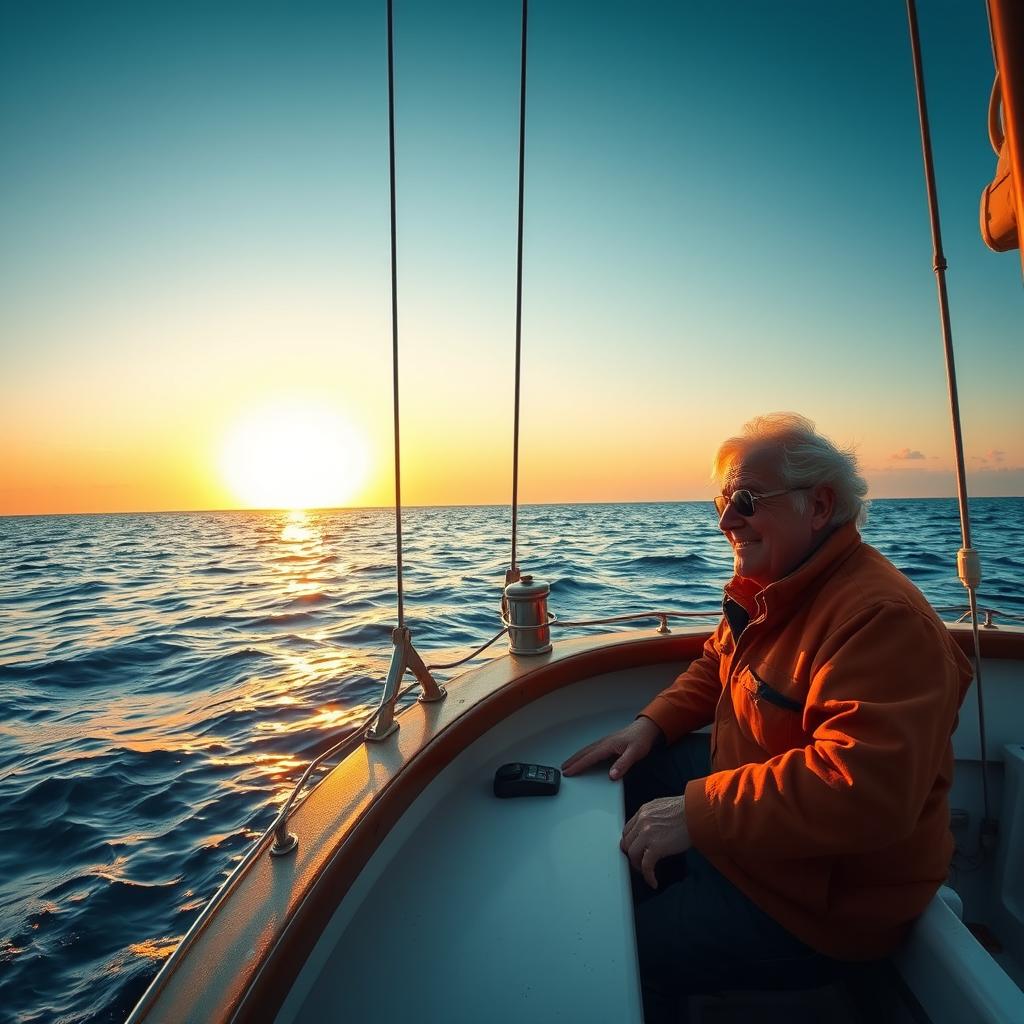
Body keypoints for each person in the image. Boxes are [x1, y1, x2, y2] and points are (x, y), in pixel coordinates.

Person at [562, 412, 973, 1022]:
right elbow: (719, 664)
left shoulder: (882, 621)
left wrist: (695, 815)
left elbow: (864, 791)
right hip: (753, 835)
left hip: (813, 907)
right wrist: (647, 726)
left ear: (819, 504)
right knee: (626, 775)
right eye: (722, 501)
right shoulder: (776, 583)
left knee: (603, 957)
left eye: (747, 501)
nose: (728, 522)